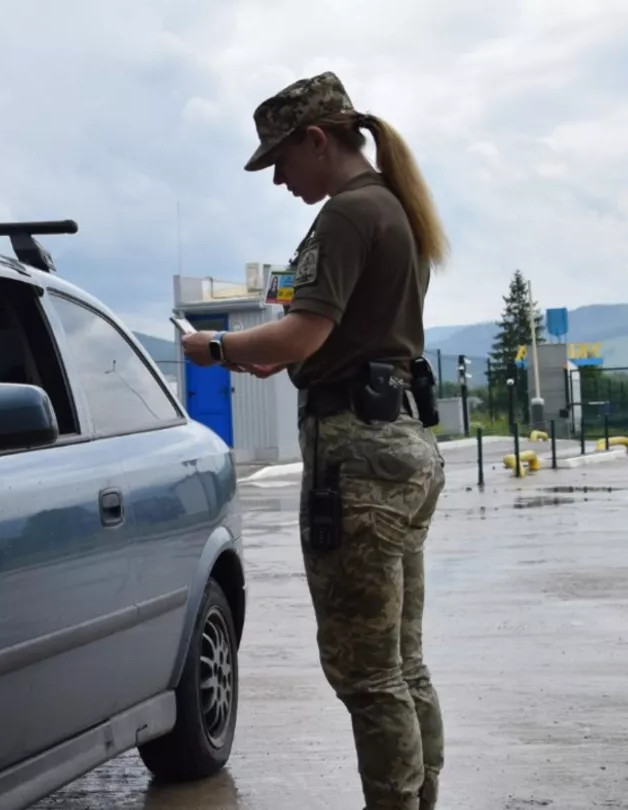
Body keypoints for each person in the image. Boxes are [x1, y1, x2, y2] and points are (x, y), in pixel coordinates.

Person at [180, 71, 448, 810]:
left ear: (317, 140)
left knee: (367, 674)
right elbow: (332, 339)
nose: (280, 182)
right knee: (402, 664)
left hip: (356, 455)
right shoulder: (395, 209)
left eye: (281, 162)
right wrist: (286, 352)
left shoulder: (345, 216)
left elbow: (305, 328)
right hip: (400, 442)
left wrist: (218, 350)